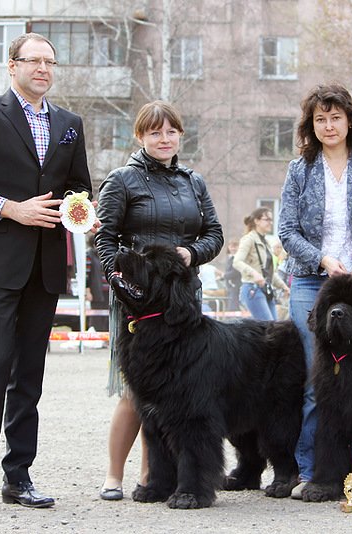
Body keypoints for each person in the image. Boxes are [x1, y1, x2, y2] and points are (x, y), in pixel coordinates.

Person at [0, 32, 93, 513]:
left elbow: (79, 189)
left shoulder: (70, 123)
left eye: (51, 61)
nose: (44, 68)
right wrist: (10, 209)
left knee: (30, 373)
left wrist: (81, 211)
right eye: (34, 60)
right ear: (13, 67)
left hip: (47, 267)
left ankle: (19, 477)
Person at [94, 100, 223, 501]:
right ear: (140, 136)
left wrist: (192, 254)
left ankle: (155, 477)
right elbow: (105, 239)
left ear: (180, 135)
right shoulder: (121, 180)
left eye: (171, 132)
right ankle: (114, 476)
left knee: (178, 393)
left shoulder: (193, 181)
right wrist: (121, 283)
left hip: (183, 302)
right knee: (135, 394)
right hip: (137, 301)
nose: (164, 139)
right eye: (155, 132)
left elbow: (214, 234)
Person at [277, 83, 352, 498]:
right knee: (318, 380)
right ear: (311, 125)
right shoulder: (299, 170)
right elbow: (286, 230)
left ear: (350, 121)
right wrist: (323, 260)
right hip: (313, 282)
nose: (328, 126)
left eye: (335, 117)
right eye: (320, 119)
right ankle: (315, 471)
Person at [233, 207, 290, 321]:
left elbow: (269, 273)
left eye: (271, 219)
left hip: (266, 289)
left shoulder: (266, 242)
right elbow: (237, 261)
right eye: (267, 219)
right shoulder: (248, 239)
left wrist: (284, 287)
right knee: (267, 328)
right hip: (252, 288)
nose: (271, 222)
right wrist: (254, 274)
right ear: (257, 221)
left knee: (273, 328)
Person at [223, 241, 242, 312]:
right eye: (231, 246)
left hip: (236, 284)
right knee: (231, 303)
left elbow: (236, 272)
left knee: (233, 305)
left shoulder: (237, 258)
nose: (233, 248)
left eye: (235, 246)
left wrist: (224, 275)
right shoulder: (229, 258)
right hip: (230, 285)